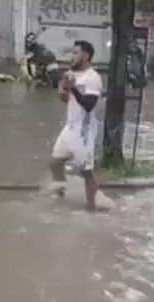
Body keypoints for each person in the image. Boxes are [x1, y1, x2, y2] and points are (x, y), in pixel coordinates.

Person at [48, 40, 103, 212]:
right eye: (73, 53)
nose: (73, 56)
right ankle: (60, 193)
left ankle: (91, 208)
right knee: (55, 162)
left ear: (86, 55)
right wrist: (63, 89)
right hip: (70, 126)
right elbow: (65, 99)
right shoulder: (72, 74)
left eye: (76, 53)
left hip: (84, 130)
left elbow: (89, 105)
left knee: (86, 171)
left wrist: (74, 89)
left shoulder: (93, 78)